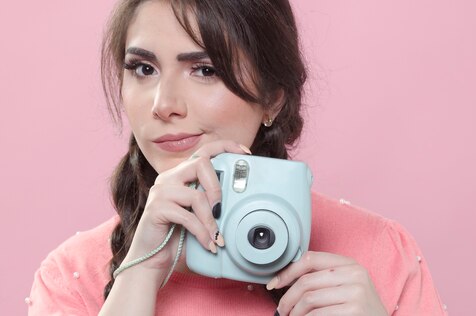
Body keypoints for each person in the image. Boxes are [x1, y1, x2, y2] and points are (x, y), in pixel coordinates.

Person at [28, 0, 445, 315]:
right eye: (143, 68)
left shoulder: (380, 253)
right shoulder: (72, 275)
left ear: (273, 100)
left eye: (205, 69)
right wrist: (139, 273)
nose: (163, 104)